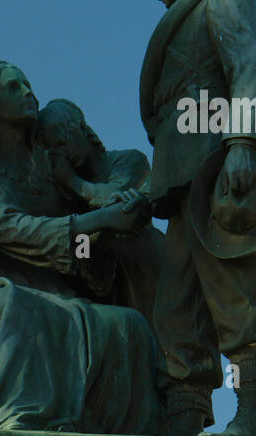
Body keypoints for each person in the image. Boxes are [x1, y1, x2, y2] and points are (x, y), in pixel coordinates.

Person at [0, 61, 166, 435]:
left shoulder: (49, 171)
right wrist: (102, 220)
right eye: (14, 88)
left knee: (129, 325)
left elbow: (81, 247)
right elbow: (18, 231)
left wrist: (104, 233)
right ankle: (18, 420)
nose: (28, 92)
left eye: (28, 84)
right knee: (16, 306)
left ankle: (126, 435)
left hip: (54, 291)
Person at [138, 0, 256, 436]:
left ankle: (254, 419)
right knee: (176, 312)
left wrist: (245, 144)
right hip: (180, 190)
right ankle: (182, 424)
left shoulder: (225, 0)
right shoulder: (182, 17)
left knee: (237, 295)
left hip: (220, 179)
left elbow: (255, 70)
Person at [36, 98, 162, 331]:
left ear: (82, 128)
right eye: (54, 151)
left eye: (62, 141)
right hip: (104, 295)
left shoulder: (128, 161)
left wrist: (74, 183)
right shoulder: (65, 201)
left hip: (145, 274)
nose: (62, 153)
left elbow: (122, 208)